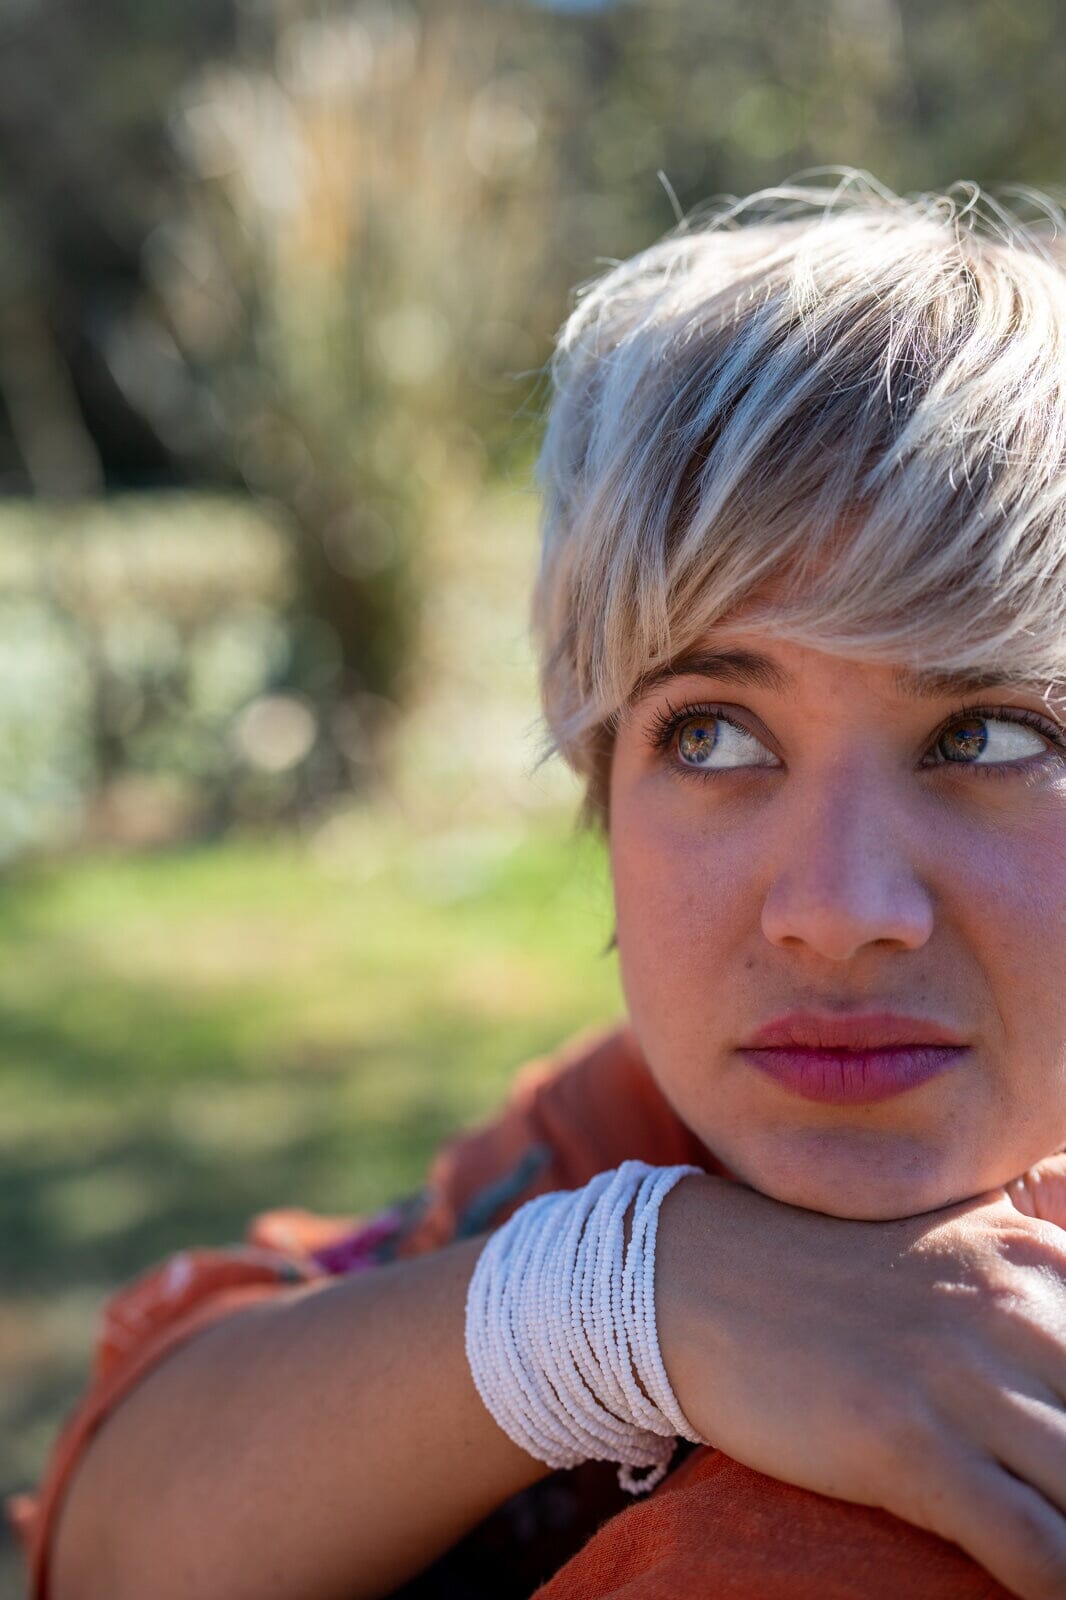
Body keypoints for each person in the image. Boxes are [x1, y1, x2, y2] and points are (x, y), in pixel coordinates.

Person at [8, 175, 1066, 1600]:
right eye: (712, 735)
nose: (834, 906)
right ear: (599, 791)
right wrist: (607, 1300)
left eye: (988, 734)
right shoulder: (627, 1138)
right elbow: (115, 1543)